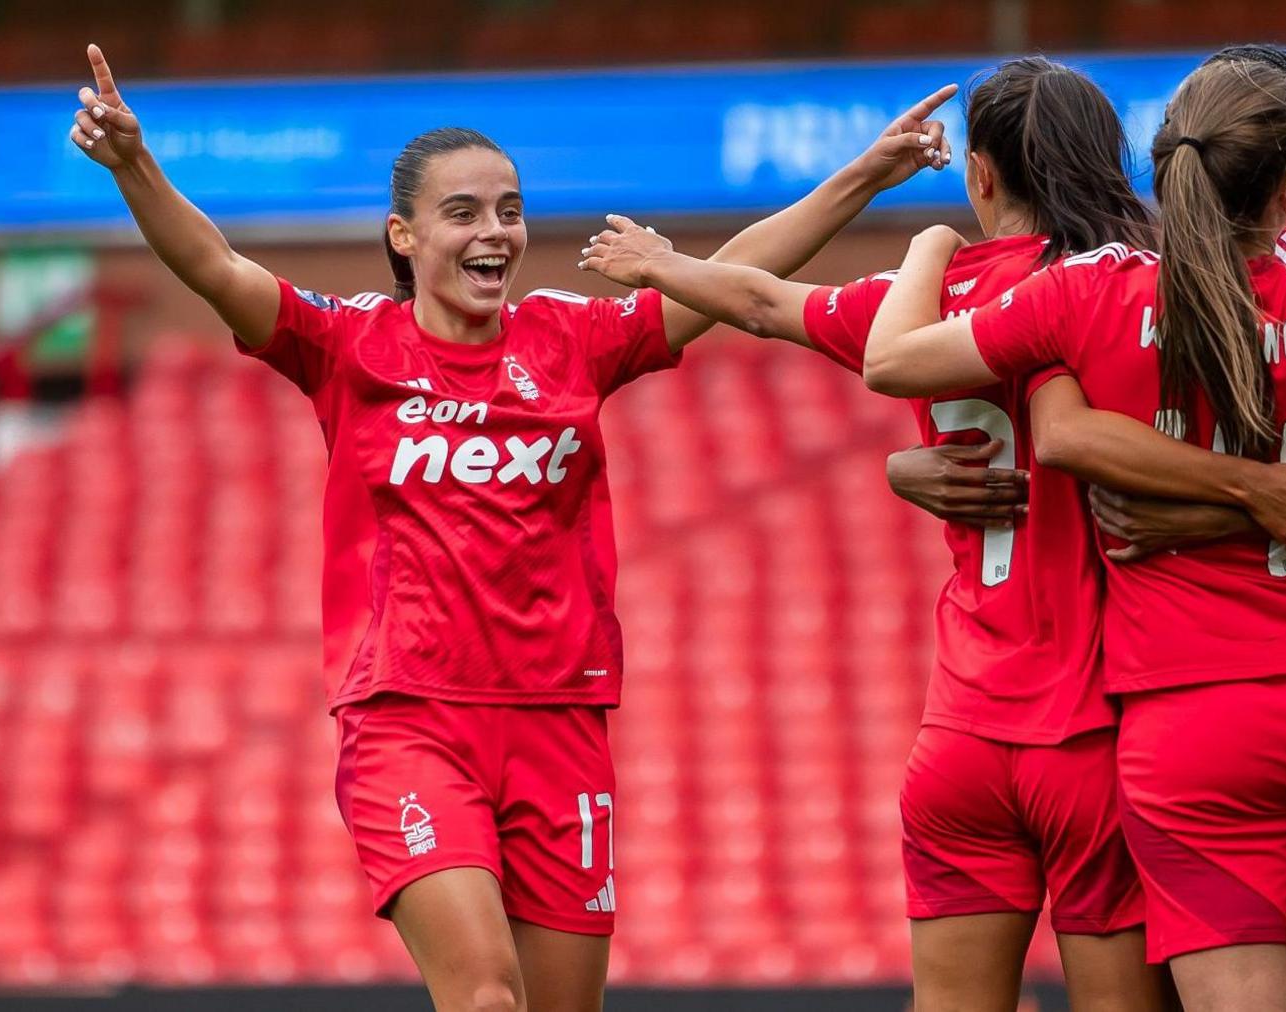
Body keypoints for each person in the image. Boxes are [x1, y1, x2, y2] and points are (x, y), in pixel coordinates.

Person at [66, 43, 956, 1012]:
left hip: (561, 723)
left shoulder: (570, 340)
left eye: (508, 210)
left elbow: (728, 277)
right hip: (411, 720)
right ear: (402, 236)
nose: (496, 232)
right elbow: (216, 265)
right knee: (489, 996)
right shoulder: (349, 345)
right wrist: (132, 166)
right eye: (464, 213)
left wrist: (869, 172)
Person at [579, 56, 1286, 1012]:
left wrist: (688, 264)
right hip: (1112, 726)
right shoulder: (1153, 289)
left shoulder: (943, 298)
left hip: (967, 727)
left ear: (980, 173)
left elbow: (765, 304)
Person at [857, 57, 1286, 1012]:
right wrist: (1262, 490)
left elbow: (953, 387)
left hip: (1194, 721)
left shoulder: (1093, 292)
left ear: (1163, 164)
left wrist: (927, 248)